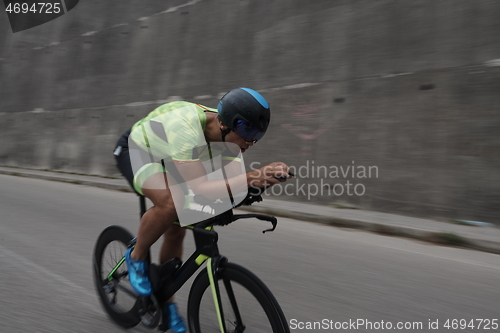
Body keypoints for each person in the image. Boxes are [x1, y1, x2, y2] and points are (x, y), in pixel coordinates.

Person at [113, 87, 291, 333]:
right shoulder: (186, 126)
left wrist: (263, 182)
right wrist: (253, 177)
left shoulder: (232, 145)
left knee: (178, 229)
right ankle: (136, 257)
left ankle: (166, 303)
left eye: (257, 135)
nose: (250, 142)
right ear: (224, 123)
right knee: (171, 203)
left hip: (175, 158)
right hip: (140, 151)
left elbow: (228, 188)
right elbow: (200, 188)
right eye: (247, 132)